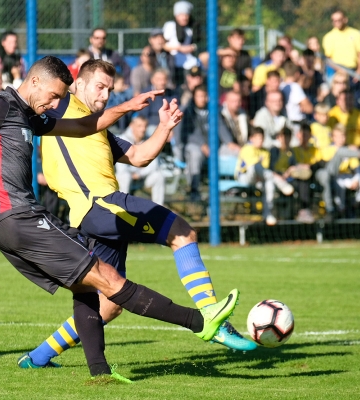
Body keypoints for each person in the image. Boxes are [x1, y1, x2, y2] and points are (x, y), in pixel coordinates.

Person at [0, 56, 240, 382]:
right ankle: (201, 321)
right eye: (53, 96)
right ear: (34, 81)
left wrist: (128, 106)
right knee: (111, 278)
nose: (55, 105)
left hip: (6, 221)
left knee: (89, 286)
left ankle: (95, 371)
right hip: (19, 215)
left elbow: (86, 127)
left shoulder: (29, 117)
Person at [20, 61, 254, 371]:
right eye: (100, 87)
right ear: (79, 84)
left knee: (110, 302)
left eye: (111, 90)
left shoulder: (98, 127)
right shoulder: (63, 106)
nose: (105, 95)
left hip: (96, 216)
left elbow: (140, 156)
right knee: (181, 232)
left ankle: (38, 358)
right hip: (103, 205)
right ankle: (211, 316)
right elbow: (19, 108)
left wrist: (164, 127)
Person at [236, 127, 294, 225]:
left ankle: (268, 214)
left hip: (260, 179)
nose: (260, 140)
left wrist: (266, 175)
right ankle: (281, 183)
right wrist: (274, 176)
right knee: (255, 166)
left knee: (269, 184)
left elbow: (265, 169)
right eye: (257, 138)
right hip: (245, 178)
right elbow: (253, 167)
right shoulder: (247, 148)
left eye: (261, 138)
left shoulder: (265, 152)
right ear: (251, 138)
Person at [317, 123, 360, 220]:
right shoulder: (327, 150)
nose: (341, 139)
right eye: (338, 136)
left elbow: (356, 168)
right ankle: (339, 210)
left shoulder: (349, 150)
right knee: (339, 185)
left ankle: (353, 203)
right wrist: (356, 152)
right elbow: (329, 169)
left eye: (343, 136)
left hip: (347, 177)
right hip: (333, 177)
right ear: (332, 137)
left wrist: (356, 179)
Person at [115, 116, 165, 205]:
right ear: (131, 126)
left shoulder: (150, 140)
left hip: (142, 177)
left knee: (158, 176)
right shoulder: (121, 139)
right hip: (124, 177)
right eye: (139, 126)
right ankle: (122, 208)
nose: (143, 129)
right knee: (124, 176)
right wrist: (133, 173)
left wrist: (139, 174)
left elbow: (154, 165)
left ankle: (159, 212)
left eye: (145, 126)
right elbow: (121, 167)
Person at [163, 1, 200, 85]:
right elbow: (163, 45)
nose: (184, 18)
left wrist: (192, 48)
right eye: (181, 15)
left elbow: (195, 43)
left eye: (186, 15)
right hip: (173, 62)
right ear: (176, 15)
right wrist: (179, 48)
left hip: (189, 62)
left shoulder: (191, 28)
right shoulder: (170, 26)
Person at [323, 9, 360, 83]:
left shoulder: (355, 33)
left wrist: (359, 70)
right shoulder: (328, 37)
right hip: (336, 71)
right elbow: (328, 59)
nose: (337, 22)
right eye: (334, 20)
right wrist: (340, 70)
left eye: (339, 20)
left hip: (353, 71)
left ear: (345, 19)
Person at [280, 60, 313, 128]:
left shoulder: (280, 86)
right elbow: (309, 108)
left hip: (285, 122)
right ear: (297, 74)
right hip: (296, 123)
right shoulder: (295, 87)